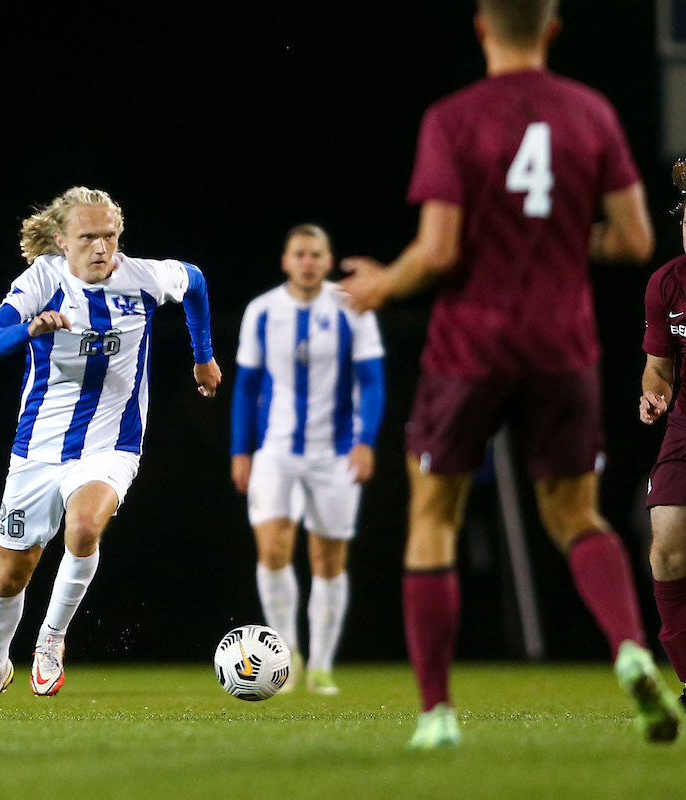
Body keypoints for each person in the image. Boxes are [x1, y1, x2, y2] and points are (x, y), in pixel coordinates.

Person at [341, 0, 681, 748]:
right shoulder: (590, 113)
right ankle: (629, 649)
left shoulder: (454, 117)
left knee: (433, 518)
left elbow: (436, 250)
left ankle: (436, 716)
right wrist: (559, 239)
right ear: (553, 28)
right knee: (573, 517)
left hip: (469, 347)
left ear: (481, 27)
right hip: (564, 347)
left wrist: (380, 286)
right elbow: (634, 238)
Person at [0, 186, 221, 722]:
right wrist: (30, 327)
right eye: (88, 237)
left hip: (112, 444)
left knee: (83, 527)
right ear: (61, 241)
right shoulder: (42, 281)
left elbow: (194, 281)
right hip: (37, 449)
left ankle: (51, 638)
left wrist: (203, 357)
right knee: (11, 573)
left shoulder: (142, 277)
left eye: (110, 235)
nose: (102, 247)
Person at [230, 224, 385, 695]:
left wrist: (366, 440)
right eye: (300, 253)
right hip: (276, 449)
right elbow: (246, 387)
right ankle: (288, 655)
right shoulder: (262, 312)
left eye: (316, 254)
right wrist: (241, 449)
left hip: (334, 452)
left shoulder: (351, 307)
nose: (308, 261)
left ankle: (321, 665)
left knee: (328, 559)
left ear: (328, 259)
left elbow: (372, 380)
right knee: (273, 549)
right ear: (286, 261)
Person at [638, 158, 686, 712]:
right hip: (685, 429)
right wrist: (653, 393)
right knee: (668, 552)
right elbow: (659, 367)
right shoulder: (667, 282)